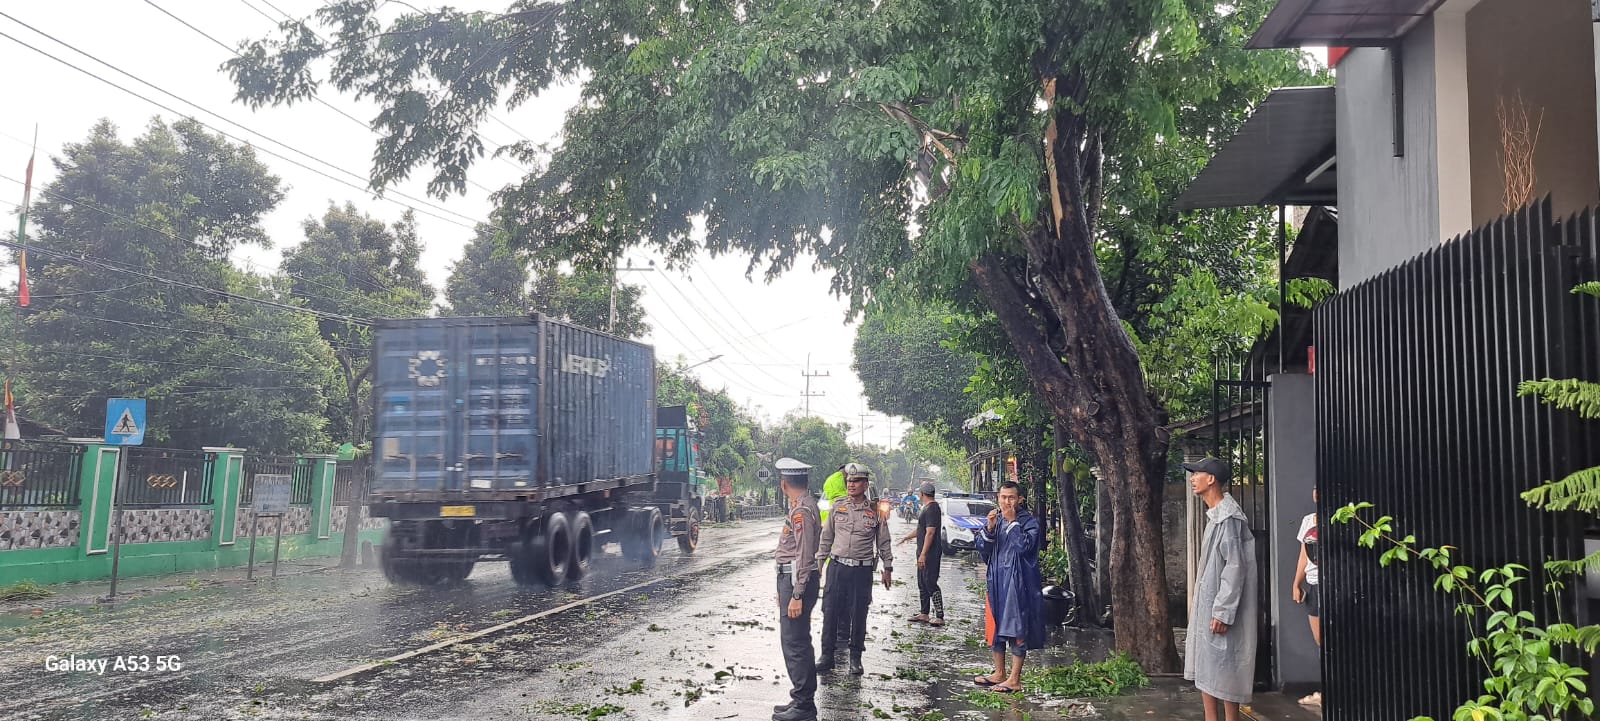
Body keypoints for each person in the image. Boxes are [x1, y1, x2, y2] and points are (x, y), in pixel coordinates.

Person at [1183, 456, 1259, 721]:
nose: (1193, 479)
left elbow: (1235, 567)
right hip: (1211, 602)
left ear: (1211, 479)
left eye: (1197, 474)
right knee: (1209, 664)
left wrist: (1223, 611)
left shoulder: (1229, 518)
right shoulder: (1216, 515)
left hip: (1222, 607)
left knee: (1226, 667)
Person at [815, 463, 892, 676]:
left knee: (859, 613)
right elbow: (826, 537)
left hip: (861, 570)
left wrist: (887, 566)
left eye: (856, 481)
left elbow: (883, 540)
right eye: (849, 481)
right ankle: (826, 656)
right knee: (830, 611)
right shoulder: (838, 506)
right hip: (837, 567)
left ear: (865, 485)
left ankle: (855, 658)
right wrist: (819, 562)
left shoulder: (875, 511)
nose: (851, 484)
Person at [972, 481, 1044, 694]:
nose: (1006, 502)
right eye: (1003, 497)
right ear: (998, 498)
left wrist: (1013, 523)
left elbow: (1024, 548)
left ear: (1020, 499)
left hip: (1017, 582)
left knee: (1016, 627)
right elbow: (982, 549)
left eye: (1011, 497)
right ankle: (999, 673)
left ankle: (1015, 679)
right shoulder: (997, 519)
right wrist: (989, 529)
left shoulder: (1029, 522)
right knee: (995, 626)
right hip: (996, 579)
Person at [772, 457, 822, 721]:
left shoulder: (801, 510)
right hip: (792, 579)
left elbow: (803, 554)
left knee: (795, 642)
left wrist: (797, 593)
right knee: (798, 639)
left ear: (784, 484)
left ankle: (804, 706)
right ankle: (801, 699)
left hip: (796, 579)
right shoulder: (806, 505)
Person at [1293, 487, 1322, 707]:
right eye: (1314, 488)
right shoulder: (1308, 520)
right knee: (1320, 640)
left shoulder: (1339, 518)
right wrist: (1297, 583)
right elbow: (1304, 553)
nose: (1315, 492)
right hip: (1313, 584)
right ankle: (1325, 689)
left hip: (1331, 584)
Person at [901, 482, 945, 626]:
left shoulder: (932, 509)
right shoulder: (926, 508)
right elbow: (921, 530)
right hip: (922, 551)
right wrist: (907, 537)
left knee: (930, 582)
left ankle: (939, 616)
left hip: (930, 553)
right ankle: (924, 613)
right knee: (922, 582)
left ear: (921, 494)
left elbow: (930, 532)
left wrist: (924, 554)